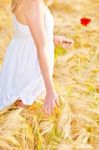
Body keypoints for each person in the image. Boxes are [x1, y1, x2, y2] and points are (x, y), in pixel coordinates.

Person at [0, 0, 74, 115]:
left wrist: (52, 38)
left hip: (20, 63)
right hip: (31, 70)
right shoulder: (33, 2)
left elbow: (27, 33)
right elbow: (41, 47)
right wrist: (50, 89)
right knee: (20, 116)